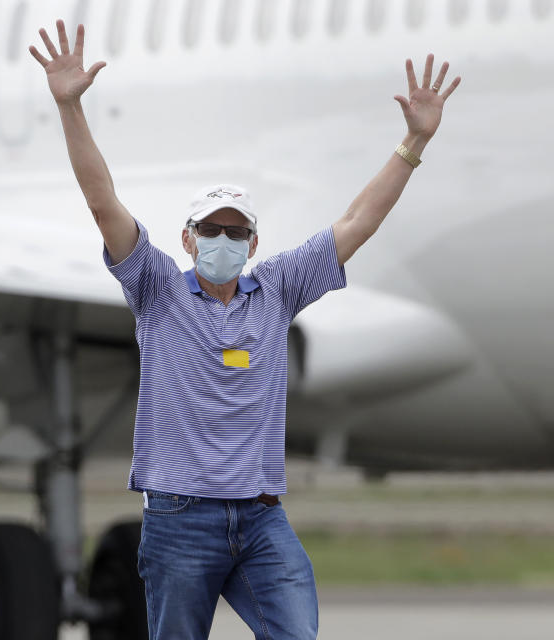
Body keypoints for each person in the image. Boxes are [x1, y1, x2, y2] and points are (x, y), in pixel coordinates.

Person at [30, 20, 459, 640]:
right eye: (211, 229)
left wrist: (412, 145)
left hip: (260, 520)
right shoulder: (157, 288)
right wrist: (70, 105)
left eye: (236, 232)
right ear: (188, 238)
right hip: (180, 518)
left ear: (254, 242)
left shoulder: (278, 288)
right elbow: (104, 203)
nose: (222, 241)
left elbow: (358, 221)